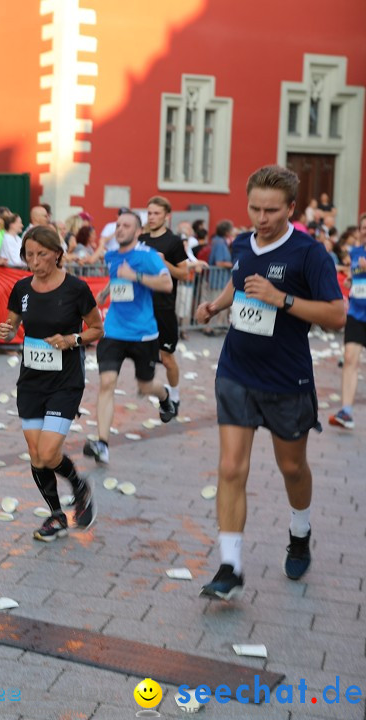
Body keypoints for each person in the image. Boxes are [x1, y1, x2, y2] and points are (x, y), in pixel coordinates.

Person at [194, 165, 345, 600]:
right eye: (255, 208)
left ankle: (300, 530)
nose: (261, 218)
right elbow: (242, 286)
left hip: (286, 379)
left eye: (272, 211)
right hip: (237, 371)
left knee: (292, 467)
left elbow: (336, 316)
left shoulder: (309, 254)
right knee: (230, 467)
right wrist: (215, 306)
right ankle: (231, 565)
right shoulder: (242, 243)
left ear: (292, 208)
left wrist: (283, 299)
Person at [0, 225, 103, 540]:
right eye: (29, 255)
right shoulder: (21, 289)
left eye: (41, 254)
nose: (34, 261)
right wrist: (7, 330)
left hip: (65, 382)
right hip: (31, 381)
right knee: (35, 454)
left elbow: (97, 328)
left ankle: (79, 484)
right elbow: (13, 322)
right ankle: (56, 516)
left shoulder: (76, 289)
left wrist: (73, 338)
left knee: (47, 452)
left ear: (57, 253)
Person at [84, 211, 176, 465]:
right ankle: (102, 444)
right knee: (106, 383)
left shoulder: (147, 257)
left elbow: (167, 284)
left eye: (126, 226)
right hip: (113, 331)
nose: (120, 229)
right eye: (118, 225)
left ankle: (165, 396)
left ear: (137, 232)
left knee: (145, 386)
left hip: (143, 334)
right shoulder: (112, 255)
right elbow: (117, 279)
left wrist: (134, 276)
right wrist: (104, 292)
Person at [139, 196, 189, 418]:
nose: (151, 217)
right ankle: (161, 394)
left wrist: (164, 263)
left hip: (164, 308)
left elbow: (184, 274)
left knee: (167, 358)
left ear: (167, 216)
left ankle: (174, 397)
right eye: (149, 213)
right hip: (142, 308)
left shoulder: (174, 242)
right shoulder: (140, 239)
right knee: (141, 357)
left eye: (156, 213)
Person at [329, 212, 366, 429]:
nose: (365, 232)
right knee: (350, 358)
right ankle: (346, 411)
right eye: (363, 228)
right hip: (356, 313)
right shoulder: (355, 252)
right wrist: (353, 279)